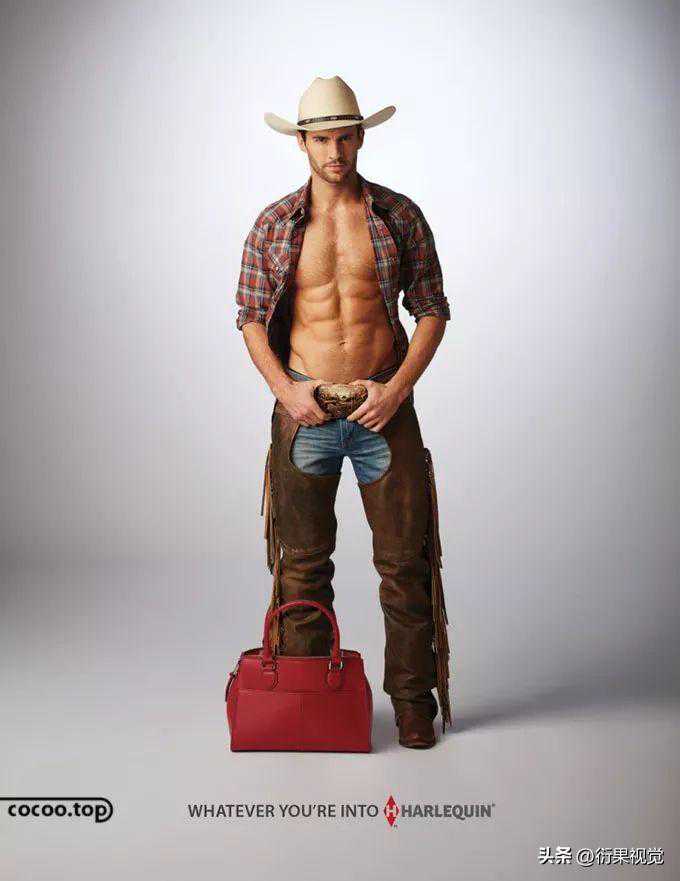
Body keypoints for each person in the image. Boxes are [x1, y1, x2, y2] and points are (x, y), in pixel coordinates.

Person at [235, 75, 452, 748]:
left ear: (361, 138)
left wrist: (397, 390)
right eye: (322, 139)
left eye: (345, 137)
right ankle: (309, 705)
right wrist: (286, 390)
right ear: (302, 144)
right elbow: (249, 317)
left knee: (406, 563)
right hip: (306, 408)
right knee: (301, 565)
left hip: (382, 406)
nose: (335, 152)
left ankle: (412, 705)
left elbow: (432, 309)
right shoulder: (274, 224)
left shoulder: (398, 215)